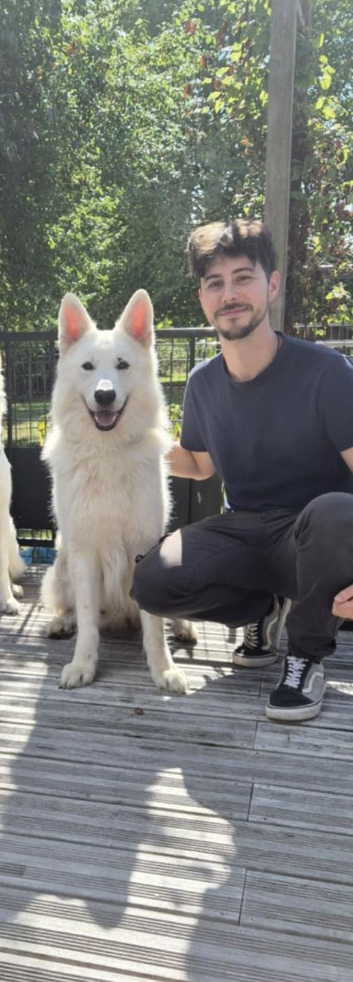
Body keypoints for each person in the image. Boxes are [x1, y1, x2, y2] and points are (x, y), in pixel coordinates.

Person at [131, 218, 353, 723]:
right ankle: (262, 610)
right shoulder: (203, 383)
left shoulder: (327, 373)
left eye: (242, 278)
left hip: (314, 540)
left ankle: (305, 657)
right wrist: (131, 441)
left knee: (336, 513)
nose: (229, 294)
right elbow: (200, 465)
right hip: (247, 529)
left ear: (271, 284)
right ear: (203, 298)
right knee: (151, 582)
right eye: (215, 283)